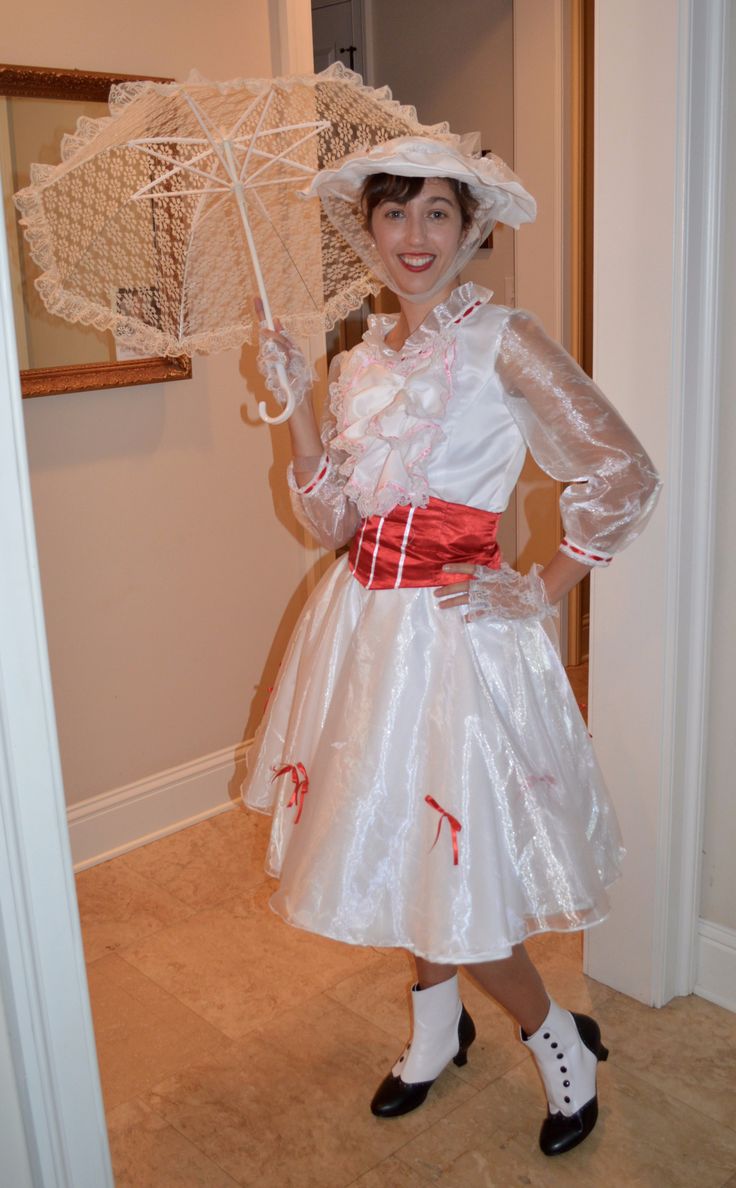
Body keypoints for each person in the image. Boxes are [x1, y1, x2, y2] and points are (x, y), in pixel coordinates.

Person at [243, 135, 660, 1157]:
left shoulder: (505, 340)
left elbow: (621, 469)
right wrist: (298, 406)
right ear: (369, 229)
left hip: (459, 641)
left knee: (462, 873)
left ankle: (556, 1035)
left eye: (437, 213)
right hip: (362, 634)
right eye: (394, 213)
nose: (414, 237)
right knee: (396, 842)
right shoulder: (355, 363)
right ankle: (436, 1029)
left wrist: (539, 585)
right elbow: (334, 524)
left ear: (472, 227)